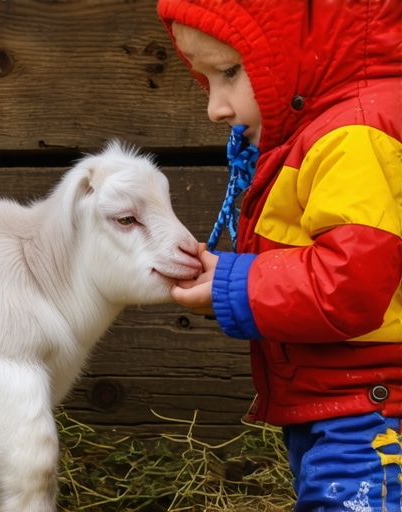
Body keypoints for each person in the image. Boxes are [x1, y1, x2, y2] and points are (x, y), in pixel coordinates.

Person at [156, 1, 402, 510]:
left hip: (374, 410)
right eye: (206, 78)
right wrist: (230, 274)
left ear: (303, 49)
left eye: (230, 72)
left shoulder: (354, 137)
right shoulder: (327, 130)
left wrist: (232, 286)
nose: (216, 107)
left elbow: (349, 285)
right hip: (344, 398)